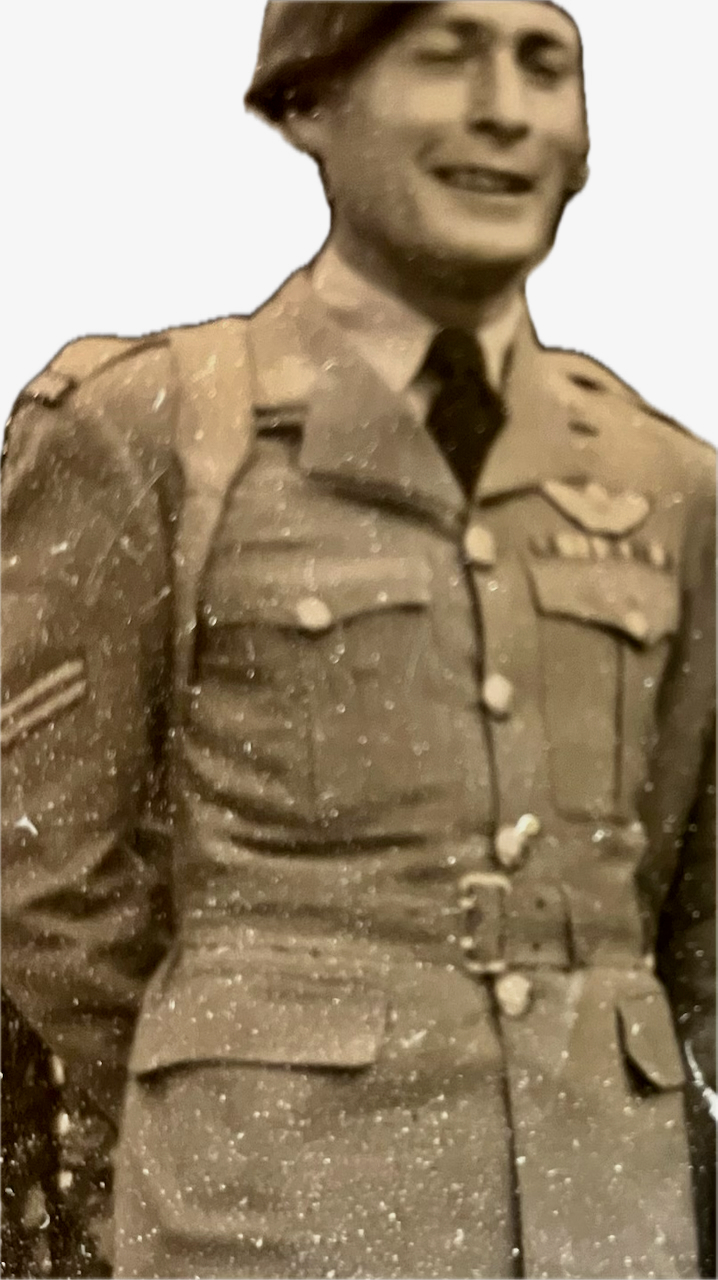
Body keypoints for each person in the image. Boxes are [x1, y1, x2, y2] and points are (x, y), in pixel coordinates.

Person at [2, 3, 715, 1277]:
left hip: (606, 1218)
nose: (504, 110)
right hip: (265, 1220)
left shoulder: (665, 480)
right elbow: (42, 865)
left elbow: (681, 899)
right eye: (443, 56)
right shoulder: (154, 427)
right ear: (308, 105)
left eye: (544, 65)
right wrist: (217, 1071)